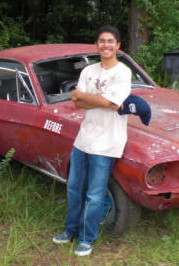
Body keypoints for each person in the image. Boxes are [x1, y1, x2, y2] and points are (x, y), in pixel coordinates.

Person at [52, 26, 132, 256]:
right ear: (96, 45)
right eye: (101, 41)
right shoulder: (88, 70)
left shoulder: (122, 72)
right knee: (74, 188)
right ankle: (71, 230)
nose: (105, 45)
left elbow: (112, 104)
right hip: (83, 139)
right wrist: (98, 100)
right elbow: (77, 102)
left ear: (118, 45)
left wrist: (87, 97)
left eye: (110, 41)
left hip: (107, 142)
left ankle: (87, 238)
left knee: (95, 194)